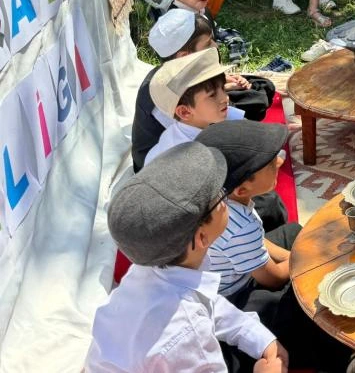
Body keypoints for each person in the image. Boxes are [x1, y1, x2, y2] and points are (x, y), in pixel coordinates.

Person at [85, 142, 287, 372]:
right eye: (219, 196)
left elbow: (209, 304)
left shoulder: (151, 268)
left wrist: (262, 339)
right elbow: (194, 318)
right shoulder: (185, 336)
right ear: (201, 237)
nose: (225, 193)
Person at [196, 121, 352, 372]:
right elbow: (273, 280)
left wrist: (296, 255)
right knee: (310, 301)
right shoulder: (237, 226)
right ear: (242, 187)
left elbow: (259, 242)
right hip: (234, 295)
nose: (280, 162)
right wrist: (304, 260)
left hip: (242, 264)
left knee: (294, 234)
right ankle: (343, 357)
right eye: (270, 163)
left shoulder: (225, 199)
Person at [145, 47, 232, 164]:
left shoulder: (195, 125)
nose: (225, 98)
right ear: (184, 112)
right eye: (212, 95)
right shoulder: (192, 155)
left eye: (223, 88)